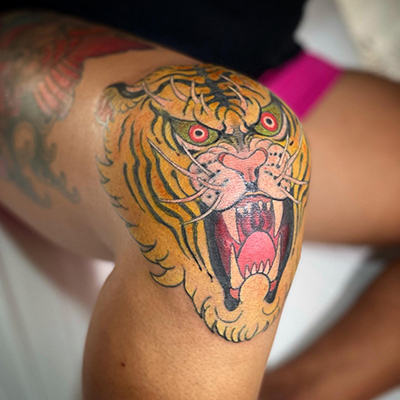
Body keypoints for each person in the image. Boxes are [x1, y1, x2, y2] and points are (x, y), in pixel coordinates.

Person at [0, 4, 399, 399]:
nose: (247, 163)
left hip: (257, 60)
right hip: (56, 42)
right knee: (226, 175)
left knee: (254, 139)